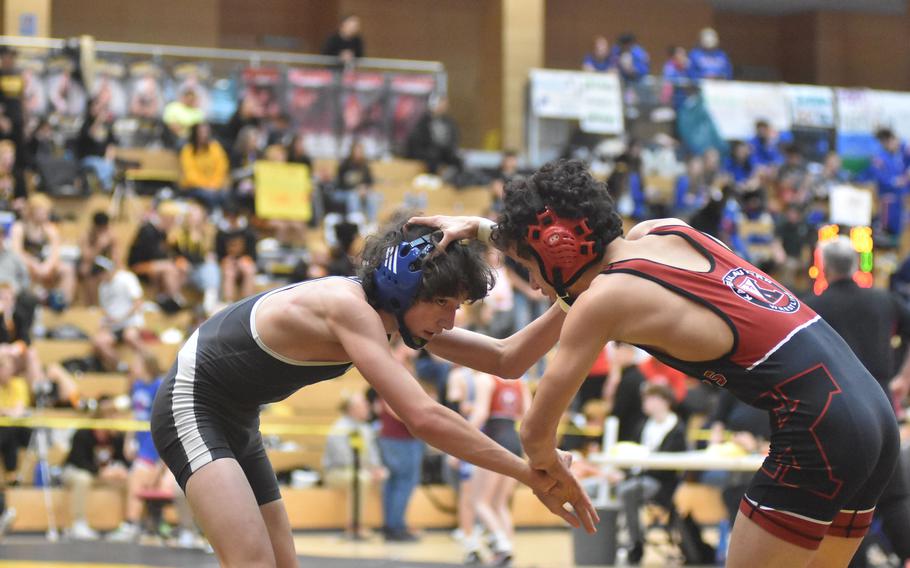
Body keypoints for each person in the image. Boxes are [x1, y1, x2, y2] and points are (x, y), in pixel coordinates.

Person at [412, 158, 900, 567]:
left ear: (558, 253)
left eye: (528, 267)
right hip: (872, 416)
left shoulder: (604, 300)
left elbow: (534, 434)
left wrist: (546, 468)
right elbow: (509, 356)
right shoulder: (668, 233)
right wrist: (421, 322)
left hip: (819, 424)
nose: (534, 285)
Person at [150, 217, 597, 567]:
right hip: (191, 405)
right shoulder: (349, 309)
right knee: (251, 562)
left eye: (457, 306)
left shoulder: (391, 313)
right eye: (443, 303)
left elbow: (506, 359)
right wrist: (527, 473)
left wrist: (574, 293)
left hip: (237, 419)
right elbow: (422, 416)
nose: (452, 320)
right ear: (403, 287)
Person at [805, 237, 910, 567]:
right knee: (893, 496)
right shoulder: (883, 300)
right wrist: (904, 377)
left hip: (833, 411)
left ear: (824, 267)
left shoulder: (812, 307)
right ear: (857, 265)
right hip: (881, 406)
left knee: (838, 502)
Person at [609, 383, 686, 564]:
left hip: (662, 483)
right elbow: (633, 453)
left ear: (664, 401)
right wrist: (624, 472)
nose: (646, 403)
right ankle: (620, 541)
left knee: (628, 490)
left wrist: (629, 475)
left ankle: (635, 543)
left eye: (650, 399)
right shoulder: (644, 424)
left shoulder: (676, 428)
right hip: (639, 477)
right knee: (610, 486)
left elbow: (667, 466)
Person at [322, 390, 385, 538]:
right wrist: (367, 470)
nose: (367, 407)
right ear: (352, 409)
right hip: (336, 472)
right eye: (363, 405)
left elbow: (373, 453)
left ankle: (388, 524)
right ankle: (355, 525)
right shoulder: (339, 428)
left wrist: (376, 468)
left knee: (383, 476)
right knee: (361, 479)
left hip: (360, 470)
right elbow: (343, 458)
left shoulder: (365, 428)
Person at [179, 122, 229, 211]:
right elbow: (190, 174)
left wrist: (214, 184)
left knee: (226, 194)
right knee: (207, 195)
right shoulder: (187, 151)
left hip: (215, 186)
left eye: (206, 132)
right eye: (201, 132)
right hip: (194, 187)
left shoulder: (215, 148)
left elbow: (221, 169)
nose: (204, 135)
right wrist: (207, 186)